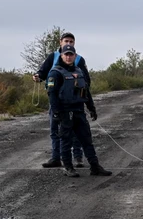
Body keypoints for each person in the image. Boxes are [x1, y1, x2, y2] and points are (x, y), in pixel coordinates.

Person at [46, 46, 111, 177]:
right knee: (66, 141)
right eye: (66, 55)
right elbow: (52, 95)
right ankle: (68, 167)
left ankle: (95, 166)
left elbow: (85, 91)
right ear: (62, 56)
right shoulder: (55, 73)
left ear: (75, 56)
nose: (68, 57)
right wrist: (57, 113)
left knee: (86, 140)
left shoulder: (79, 71)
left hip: (79, 111)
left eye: (71, 55)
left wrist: (91, 108)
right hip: (65, 112)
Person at [34, 32, 90, 167]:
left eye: (71, 41)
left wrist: (86, 99)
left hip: (75, 101)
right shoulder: (52, 57)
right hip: (56, 100)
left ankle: (78, 158)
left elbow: (86, 80)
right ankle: (56, 158)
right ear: (60, 42)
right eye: (66, 41)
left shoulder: (79, 59)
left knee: (76, 131)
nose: (68, 44)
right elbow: (43, 72)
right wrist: (38, 76)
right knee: (55, 130)